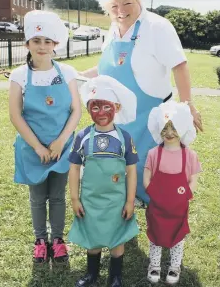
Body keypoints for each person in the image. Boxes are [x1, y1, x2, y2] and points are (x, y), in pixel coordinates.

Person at [79, 0, 203, 205]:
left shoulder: (157, 26)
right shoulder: (113, 30)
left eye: (127, 3)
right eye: (114, 6)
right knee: (123, 162)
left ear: (139, 1)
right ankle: (130, 199)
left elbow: (180, 65)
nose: (121, 10)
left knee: (151, 166)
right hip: (120, 115)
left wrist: (188, 104)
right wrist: (74, 75)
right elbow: (106, 69)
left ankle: (158, 211)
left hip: (151, 114)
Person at [9, 10, 81, 264]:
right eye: (36, 41)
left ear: (55, 45)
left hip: (62, 148)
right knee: (38, 198)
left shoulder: (68, 72)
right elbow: (16, 116)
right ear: (27, 43)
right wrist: (38, 147)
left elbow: (76, 110)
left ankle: (58, 240)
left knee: (58, 196)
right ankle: (40, 240)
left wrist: (62, 141)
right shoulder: (18, 76)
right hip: (33, 150)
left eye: (47, 41)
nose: (42, 46)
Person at [68, 75, 139, 287]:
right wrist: (74, 198)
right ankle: (92, 274)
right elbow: (74, 168)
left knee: (117, 239)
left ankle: (115, 276)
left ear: (116, 107)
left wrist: (129, 201)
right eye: (94, 107)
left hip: (117, 201)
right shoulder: (82, 137)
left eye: (106, 107)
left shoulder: (124, 138)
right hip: (90, 200)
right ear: (88, 108)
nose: (100, 113)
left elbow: (132, 171)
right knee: (93, 238)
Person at [144, 101, 201, 284]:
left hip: (178, 207)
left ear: (183, 128)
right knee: (155, 234)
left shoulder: (189, 155)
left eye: (174, 128)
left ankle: (174, 267)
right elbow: (147, 176)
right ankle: (154, 265)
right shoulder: (154, 153)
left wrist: (184, 196)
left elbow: (193, 180)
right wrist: (152, 192)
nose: (169, 133)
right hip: (157, 206)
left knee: (177, 236)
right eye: (165, 128)